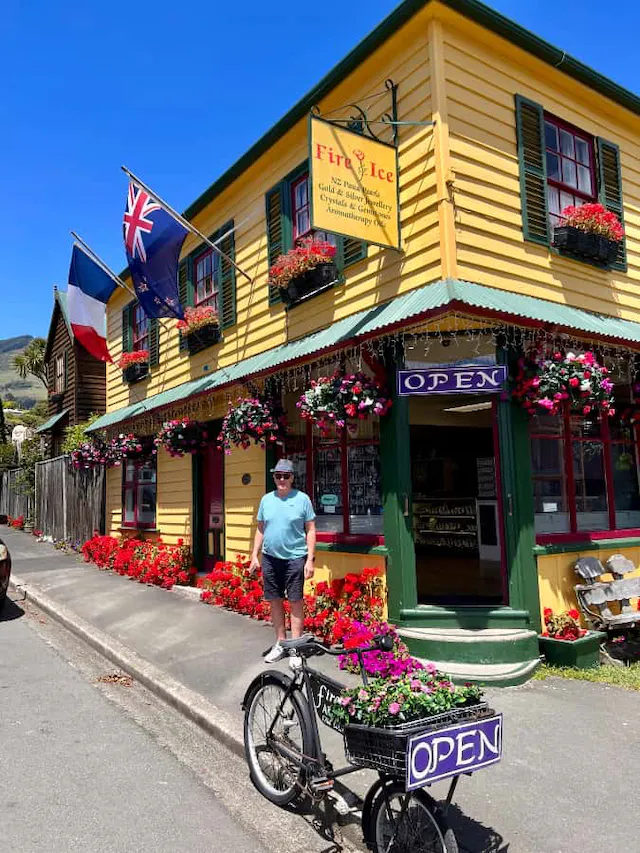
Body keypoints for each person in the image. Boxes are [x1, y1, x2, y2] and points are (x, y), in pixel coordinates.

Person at [250, 458, 316, 663]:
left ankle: (295, 649)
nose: (282, 479)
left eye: (286, 476)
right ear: (274, 477)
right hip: (270, 558)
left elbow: (311, 529)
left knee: (295, 601)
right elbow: (261, 528)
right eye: (278, 476)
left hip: (295, 558)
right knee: (275, 600)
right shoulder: (266, 500)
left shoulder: (303, 499)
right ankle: (281, 643)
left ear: (292, 478)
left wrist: (310, 560)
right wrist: (254, 555)